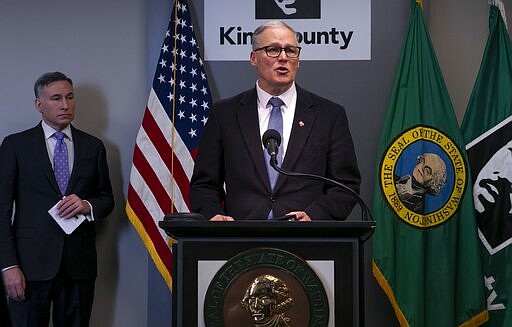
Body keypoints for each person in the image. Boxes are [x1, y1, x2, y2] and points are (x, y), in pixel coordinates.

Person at [189, 20, 361, 221]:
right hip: (240, 239)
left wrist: (314, 216)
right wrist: (214, 215)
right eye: (273, 50)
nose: (283, 58)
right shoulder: (225, 114)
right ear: (253, 58)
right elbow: (204, 184)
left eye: (290, 50)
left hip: (307, 240)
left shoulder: (329, 115)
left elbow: (346, 185)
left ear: (299, 59)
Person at [0, 72, 115, 326]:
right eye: (56, 98)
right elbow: (2, 210)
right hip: (29, 267)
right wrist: (8, 267)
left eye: (70, 97)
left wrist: (88, 205)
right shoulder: (15, 145)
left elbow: (107, 199)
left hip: (79, 267)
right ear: (39, 105)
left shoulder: (93, 146)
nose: (65, 105)